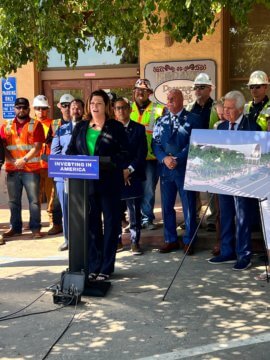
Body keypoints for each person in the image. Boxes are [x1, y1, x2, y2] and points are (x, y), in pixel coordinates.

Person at [66, 90, 129, 281]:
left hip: (110, 184)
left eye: (99, 103)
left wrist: (105, 161)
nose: (94, 106)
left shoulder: (116, 127)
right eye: (92, 103)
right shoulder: (81, 127)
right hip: (87, 185)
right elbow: (70, 151)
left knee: (110, 225)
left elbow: (125, 154)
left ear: (106, 106)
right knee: (93, 227)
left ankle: (106, 268)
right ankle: (93, 265)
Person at [208, 90, 261, 271]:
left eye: (230, 108)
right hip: (224, 179)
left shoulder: (252, 127)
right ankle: (227, 251)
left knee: (242, 217)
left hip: (243, 181)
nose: (227, 112)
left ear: (240, 109)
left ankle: (244, 255)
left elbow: (257, 156)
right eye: (226, 108)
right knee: (226, 215)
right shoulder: (221, 127)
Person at [152, 89, 200, 255]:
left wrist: (178, 158)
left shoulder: (193, 119)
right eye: (168, 99)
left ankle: (189, 240)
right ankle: (170, 239)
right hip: (166, 170)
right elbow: (155, 144)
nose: (169, 101)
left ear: (181, 100)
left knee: (188, 206)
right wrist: (164, 158)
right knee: (167, 207)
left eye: (172, 99)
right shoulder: (161, 120)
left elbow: (195, 143)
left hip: (185, 169)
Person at [0, 98, 45, 245]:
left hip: (30, 169)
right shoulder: (6, 126)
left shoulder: (36, 125)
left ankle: (35, 228)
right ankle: (15, 227)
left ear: (28, 109)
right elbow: (3, 147)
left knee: (34, 201)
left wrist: (23, 160)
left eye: (24, 107)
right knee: (13, 201)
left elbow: (37, 146)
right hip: (12, 169)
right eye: (18, 107)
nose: (21, 110)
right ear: (14, 108)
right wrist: (12, 160)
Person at [114, 97, 147, 255]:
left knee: (134, 211)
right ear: (114, 111)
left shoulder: (139, 129)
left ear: (130, 109)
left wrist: (129, 170)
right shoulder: (110, 129)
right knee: (115, 211)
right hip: (115, 176)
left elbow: (142, 153)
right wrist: (120, 171)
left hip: (133, 175)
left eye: (124, 108)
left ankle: (135, 242)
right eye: (118, 108)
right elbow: (110, 154)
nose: (121, 111)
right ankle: (118, 241)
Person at [186, 73, 219, 231]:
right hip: (194, 151)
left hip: (212, 152)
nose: (198, 90)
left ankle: (213, 219)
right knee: (194, 187)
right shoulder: (189, 107)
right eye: (196, 88)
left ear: (210, 89)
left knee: (212, 187)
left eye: (201, 87)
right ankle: (196, 216)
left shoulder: (216, 106)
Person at [130, 78, 164, 230]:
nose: (140, 93)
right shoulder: (127, 109)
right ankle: (134, 219)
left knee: (149, 188)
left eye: (144, 90)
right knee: (132, 188)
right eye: (138, 90)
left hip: (150, 157)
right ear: (134, 92)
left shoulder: (159, 109)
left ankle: (146, 218)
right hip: (132, 157)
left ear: (149, 93)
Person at [51, 98, 84, 251]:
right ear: (68, 111)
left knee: (84, 208)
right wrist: (62, 169)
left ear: (83, 110)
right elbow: (55, 152)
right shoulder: (61, 129)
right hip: (63, 177)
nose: (75, 110)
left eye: (78, 108)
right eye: (73, 108)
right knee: (65, 208)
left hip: (83, 175)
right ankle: (67, 239)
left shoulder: (89, 128)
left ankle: (83, 238)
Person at [33, 95, 63, 235]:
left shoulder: (55, 124)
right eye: (38, 108)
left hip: (51, 165)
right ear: (34, 110)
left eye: (43, 109)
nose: (41, 111)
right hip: (34, 166)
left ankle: (53, 221)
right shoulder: (31, 124)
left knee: (52, 195)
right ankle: (36, 223)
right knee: (35, 196)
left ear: (48, 110)